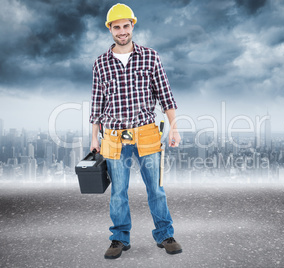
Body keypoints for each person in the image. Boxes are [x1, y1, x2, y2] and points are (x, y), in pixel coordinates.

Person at [89, 3, 182, 259]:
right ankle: (119, 238)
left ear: (132, 26)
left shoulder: (150, 57)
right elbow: (97, 105)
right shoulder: (100, 64)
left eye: (125, 26)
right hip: (114, 137)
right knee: (118, 193)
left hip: (147, 133)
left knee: (156, 190)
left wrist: (174, 128)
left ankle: (165, 235)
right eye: (116, 27)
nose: (122, 31)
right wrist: (93, 138)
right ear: (110, 29)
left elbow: (166, 96)